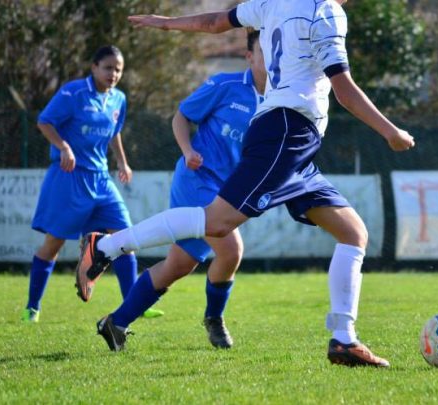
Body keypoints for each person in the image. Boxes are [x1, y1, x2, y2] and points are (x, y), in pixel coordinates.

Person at [78, 0, 415, 367]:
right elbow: (344, 89)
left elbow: (213, 22)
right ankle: (108, 246)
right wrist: (390, 131)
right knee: (220, 225)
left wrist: (168, 24)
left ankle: (344, 340)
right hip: (288, 131)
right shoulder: (327, 11)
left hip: (294, 139)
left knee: (353, 233)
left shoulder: (272, 4)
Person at [82, 30, 266, 349]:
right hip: (197, 179)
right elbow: (182, 115)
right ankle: (214, 320)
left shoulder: (281, 100)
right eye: (266, 51)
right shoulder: (226, 86)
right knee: (231, 249)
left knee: (179, 265)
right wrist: (187, 150)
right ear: (249, 57)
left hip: (227, 192)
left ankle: (116, 322)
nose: (275, 58)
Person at [22, 45, 163, 322]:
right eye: (108, 67)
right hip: (69, 177)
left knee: (126, 239)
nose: (113, 74)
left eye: (118, 69)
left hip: (101, 180)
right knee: (53, 244)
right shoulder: (72, 93)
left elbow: (115, 132)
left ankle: (134, 304)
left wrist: (122, 161)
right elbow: (44, 122)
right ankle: (32, 308)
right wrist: (63, 147)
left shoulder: (118, 99)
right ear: (94, 67)